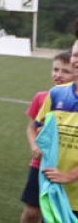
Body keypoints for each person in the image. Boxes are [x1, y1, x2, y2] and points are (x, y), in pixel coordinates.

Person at [23, 51, 74, 223]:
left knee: (55, 213)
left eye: (65, 71)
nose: (58, 75)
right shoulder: (43, 96)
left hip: (66, 167)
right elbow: (32, 127)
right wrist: (34, 146)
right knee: (31, 212)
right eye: (55, 69)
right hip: (41, 165)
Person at [38, 38, 78, 209]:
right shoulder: (56, 94)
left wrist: (71, 175)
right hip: (55, 189)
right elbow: (41, 127)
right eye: (76, 55)